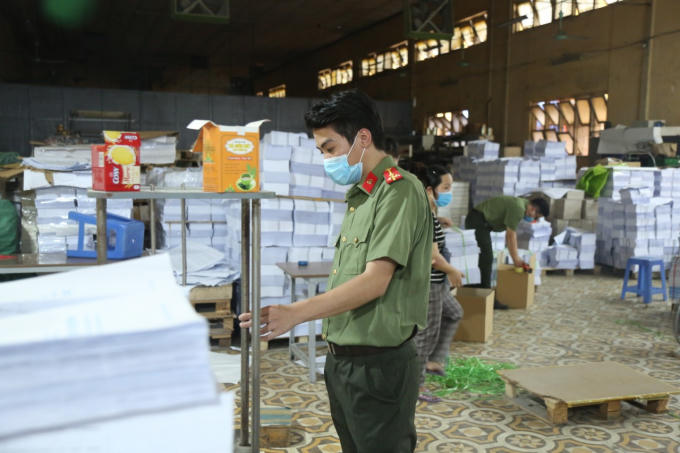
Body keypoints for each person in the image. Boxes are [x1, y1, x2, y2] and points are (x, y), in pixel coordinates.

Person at [239, 89, 433, 453]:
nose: (327, 160)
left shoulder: (398, 192)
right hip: (345, 361)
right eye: (322, 152)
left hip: (378, 366)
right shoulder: (362, 197)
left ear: (363, 138)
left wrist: (296, 313)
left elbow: (375, 281)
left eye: (330, 148)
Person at [411, 164, 464, 402]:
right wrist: (452, 270)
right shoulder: (424, 214)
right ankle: (416, 385)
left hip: (437, 282)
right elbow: (433, 257)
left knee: (454, 313)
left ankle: (433, 361)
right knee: (425, 335)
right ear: (429, 190)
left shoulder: (430, 212)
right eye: (446, 187)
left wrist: (439, 221)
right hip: (429, 284)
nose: (449, 192)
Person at [465, 195, 549, 309]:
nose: (533, 217)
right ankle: (487, 299)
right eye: (535, 215)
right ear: (533, 208)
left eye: (536, 217)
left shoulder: (521, 205)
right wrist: (516, 259)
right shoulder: (518, 208)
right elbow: (510, 236)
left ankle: (474, 292)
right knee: (486, 257)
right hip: (477, 220)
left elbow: (510, 234)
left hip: (480, 221)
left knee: (481, 257)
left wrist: (515, 256)